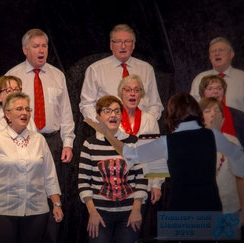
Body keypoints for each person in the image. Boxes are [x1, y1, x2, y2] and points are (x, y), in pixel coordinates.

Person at [86, 92, 244, 211]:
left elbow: (129, 153)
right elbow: (240, 162)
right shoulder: (213, 136)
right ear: (197, 111)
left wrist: (107, 133)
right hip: (211, 207)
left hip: (180, 209)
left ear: (172, 114)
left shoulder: (167, 142)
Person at [6, 28, 75, 242]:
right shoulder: (13, 76)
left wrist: (68, 142)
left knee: (54, 193)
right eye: (36, 46)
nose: (41, 50)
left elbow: (65, 112)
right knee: (28, 192)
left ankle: (52, 239)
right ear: (25, 49)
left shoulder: (57, 75)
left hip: (53, 141)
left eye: (44, 45)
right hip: (23, 142)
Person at [0, 92, 63, 243]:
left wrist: (57, 204)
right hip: (2, 211)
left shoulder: (39, 140)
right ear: (7, 114)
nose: (24, 113)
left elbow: (50, 176)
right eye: (19, 109)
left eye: (27, 109)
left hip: (36, 211)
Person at [78, 95, 148, 243]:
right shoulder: (89, 144)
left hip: (129, 214)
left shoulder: (133, 141)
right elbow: (84, 182)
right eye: (107, 111)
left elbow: (141, 178)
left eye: (117, 111)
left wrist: (136, 210)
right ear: (98, 116)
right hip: (100, 214)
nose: (113, 115)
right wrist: (92, 212)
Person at [79, 24, 163, 121]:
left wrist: (146, 124)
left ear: (133, 45)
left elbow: (155, 105)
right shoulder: (95, 70)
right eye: (118, 42)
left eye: (127, 42)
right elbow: (86, 105)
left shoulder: (147, 69)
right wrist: (104, 125)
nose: (123, 46)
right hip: (108, 132)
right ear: (111, 45)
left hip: (141, 131)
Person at [117, 74, 164, 240]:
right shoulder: (112, 119)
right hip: (116, 185)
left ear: (141, 94)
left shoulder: (149, 119)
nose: (132, 94)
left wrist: (157, 184)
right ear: (120, 94)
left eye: (137, 90)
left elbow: (157, 154)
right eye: (128, 90)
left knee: (134, 234)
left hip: (141, 184)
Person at [198, 75, 244, 224]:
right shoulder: (192, 141)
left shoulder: (232, 140)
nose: (212, 114)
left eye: (217, 111)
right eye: (207, 111)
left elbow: (240, 178)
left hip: (229, 207)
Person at [190, 37, 244, 112]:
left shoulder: (242, 78)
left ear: (231, 54)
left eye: (221, 50)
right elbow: (193, 109)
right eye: (213, 51)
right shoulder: (200, 78)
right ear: (209, 57)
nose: (217, 53)